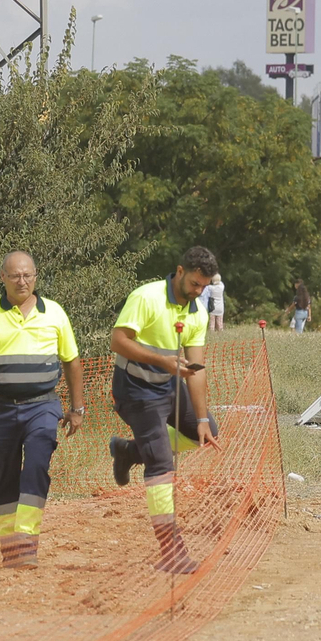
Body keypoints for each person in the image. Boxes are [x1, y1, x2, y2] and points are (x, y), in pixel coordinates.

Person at [0, 251, 84, 569]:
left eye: (27, 275)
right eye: (15, 276)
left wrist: (77, 407)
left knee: (37, 462)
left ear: (35, 276)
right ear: (3, 278)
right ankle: (9, 546)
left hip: (43, 405)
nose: (22, 281)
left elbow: (72, 361)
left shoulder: (54, 313)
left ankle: (26, 539)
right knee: (4, 476)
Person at [106, 246, 222, 574]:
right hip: (135, 390)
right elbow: (117, 340)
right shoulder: (146, 297)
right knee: (161, 463)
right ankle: (172, 551)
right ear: (180, 271)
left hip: (169, 387)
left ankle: (129, 451)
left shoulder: (198, 312)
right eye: (194, 284)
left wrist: (200, 419)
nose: (198, 292)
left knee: (208, 433)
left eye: (204, 286)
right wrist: (162, 361)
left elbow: (196, 368)